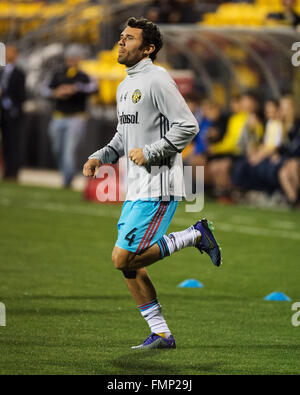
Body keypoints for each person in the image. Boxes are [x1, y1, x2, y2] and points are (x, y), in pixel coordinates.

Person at [83, 17, 222, 350]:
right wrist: (100, 156)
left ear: (148, 49)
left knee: (122, 258)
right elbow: (122, 135)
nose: (121, 42)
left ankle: (193, 235)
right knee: (130, 266)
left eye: (129, 39)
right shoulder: (124, 85)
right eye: (121, 37)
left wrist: (152, 151)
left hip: (160, 186)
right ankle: (161, 333)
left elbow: (188, 126)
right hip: (137, 187)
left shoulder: (158, 80)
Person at [42, 44, 98, 188]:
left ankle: (67, 180)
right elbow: (44, 89)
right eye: (71, 58)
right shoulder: (57, 74)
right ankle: (65, 174)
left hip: (76, 117)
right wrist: (56, 92)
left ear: (80, 59)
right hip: (58, 116)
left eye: (75, 57)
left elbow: (94, 87)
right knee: (57, 148)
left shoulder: (84, 75)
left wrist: (75, 88)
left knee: (69, 150)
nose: (73, 60)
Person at [0, 44, 26, 181]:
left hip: (12, 112)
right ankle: (5, 171)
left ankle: (13, 172)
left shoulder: (19, 73)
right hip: (2, 112)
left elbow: (21, 95)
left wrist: (11, 106)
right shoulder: (1, 71)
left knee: (13, 143)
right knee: (4, 143)